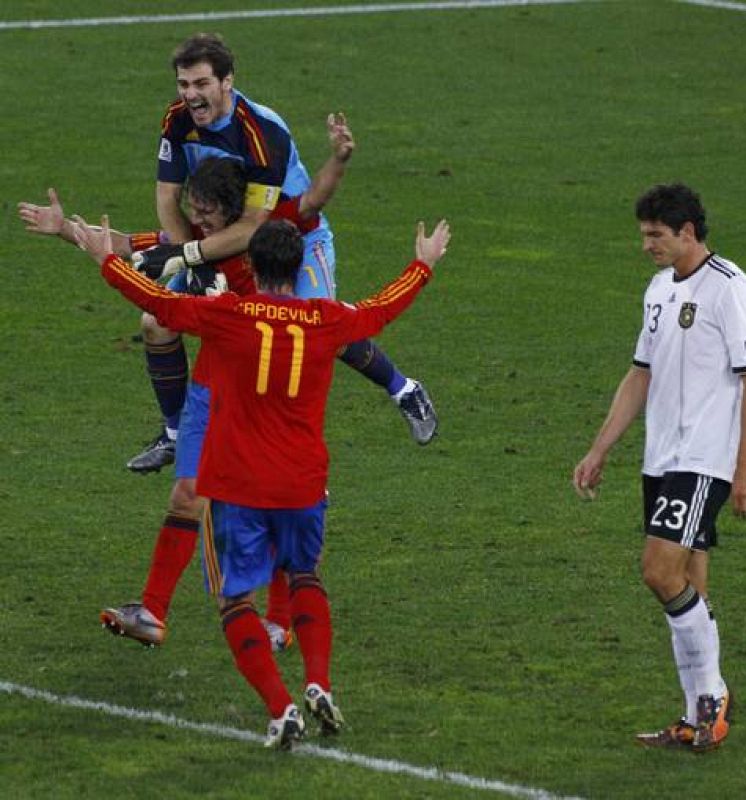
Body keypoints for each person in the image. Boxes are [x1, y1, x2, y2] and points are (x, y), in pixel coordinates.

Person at [74, 212, 451, 749]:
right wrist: (423, 264)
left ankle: (281, 709)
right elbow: (380, 310)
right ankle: (318, 682)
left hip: (238, 486)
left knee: (235, 604)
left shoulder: (228, 313)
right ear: (298, 270)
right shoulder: (327, 319)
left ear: (250, 264)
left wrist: (105, 259)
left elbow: (161, 305)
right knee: (305, 579)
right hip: (302, 483)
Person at [19, 131, 354, 650]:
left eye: (208, 214)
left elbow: (311, 201)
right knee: (187, 493)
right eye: (193, 211)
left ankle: (280, 621)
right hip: (210, 391)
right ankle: (152, 612)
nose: (197, 224)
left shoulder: (264, 234)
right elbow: (128, 243)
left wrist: (338, 158)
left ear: (232, 210)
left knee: (284, 499)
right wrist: (65, 229)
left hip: (261, 399)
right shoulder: (192, 244)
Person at [127, 32, 437, 472]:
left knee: (317, 326)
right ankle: (176, 433)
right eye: (183, 84)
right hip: (223, 237)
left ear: (227, 81)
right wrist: (188, 255)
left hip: (294, 236)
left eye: (200, 84)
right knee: (155, 323)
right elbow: (166, 200)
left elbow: (258, 225)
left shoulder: (262, 131)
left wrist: (190, 255)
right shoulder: (177, 120)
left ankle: (405, 390)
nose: (190, 95)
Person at [573, 183, 746, 753]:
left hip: (705, 457)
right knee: (690, 584)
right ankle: (696, 717)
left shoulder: (731, 290)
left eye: (655, 236)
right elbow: (641, 374)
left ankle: (713, 696)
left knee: (659, 570)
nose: (646, 246)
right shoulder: (658, 289)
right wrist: (600, 447)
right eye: (644, 235)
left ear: (687, 232)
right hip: (662, 456)